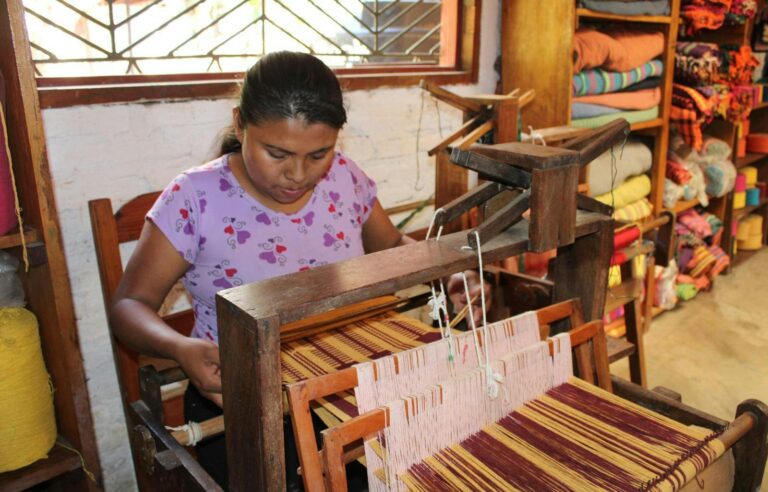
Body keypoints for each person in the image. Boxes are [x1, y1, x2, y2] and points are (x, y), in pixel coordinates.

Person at [110, 50, 487, 490]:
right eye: (277, 153)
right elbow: (129, 305)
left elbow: (394, 249)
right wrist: (179, 348)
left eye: (318, 154)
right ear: (239, 124)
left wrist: (446, 276)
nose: (297, 174)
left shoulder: (343, 179)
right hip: (240, 402)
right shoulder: (195, 198)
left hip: (350, 388)